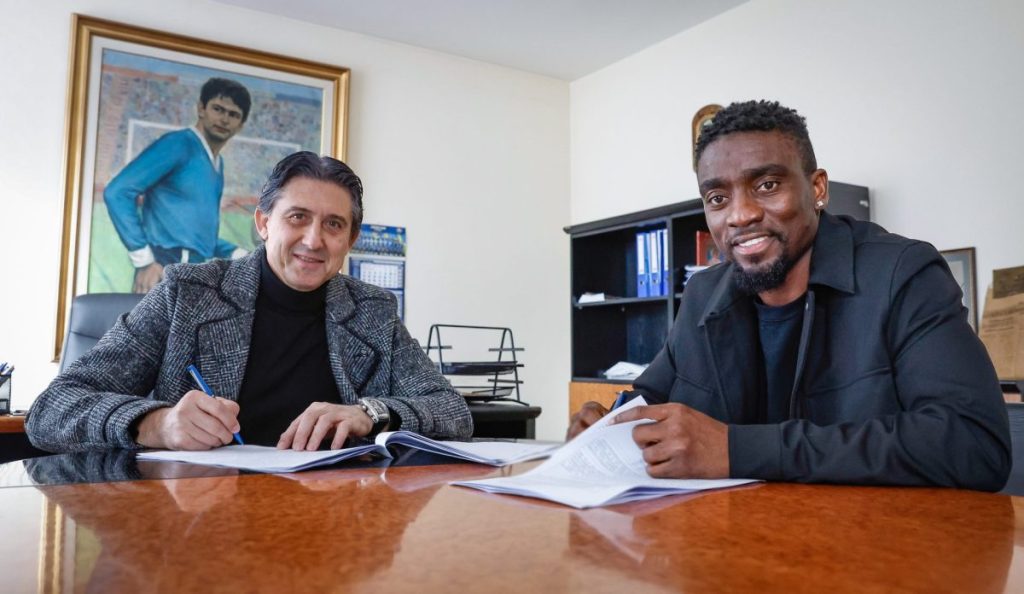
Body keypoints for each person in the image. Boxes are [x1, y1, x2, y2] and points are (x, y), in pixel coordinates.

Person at [568, 100, 1011, 491]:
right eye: (718, 197)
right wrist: (606, 423)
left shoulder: (903, 274)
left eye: (767, 185)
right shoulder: (704, 293)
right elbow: (651, 398)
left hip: (868, 544)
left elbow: (973, 443)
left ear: (817, 189)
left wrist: (736, 449)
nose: (740, 215)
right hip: (725, 540)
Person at [28, 152, 473, 452]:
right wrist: (156, 423)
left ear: (350, 238)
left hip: (333, 518)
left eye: (334, 225)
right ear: (263, 223)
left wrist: (369, 413)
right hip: (196, 519)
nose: (313, 240)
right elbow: (52, 408)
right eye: (297, 217)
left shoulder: (373, 311)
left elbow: (453, 412)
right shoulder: (188, 292)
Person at [104, 77, 253, 294]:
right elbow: (117, 192)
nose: (224, 119)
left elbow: (197, 237)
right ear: (201, 109)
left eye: (233, 114)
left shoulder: (217, 164)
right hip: (163, 268)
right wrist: (144, 261)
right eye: (218, 109)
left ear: (240, 125)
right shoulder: (178, 144)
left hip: (196, 272)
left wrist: (241, 254)